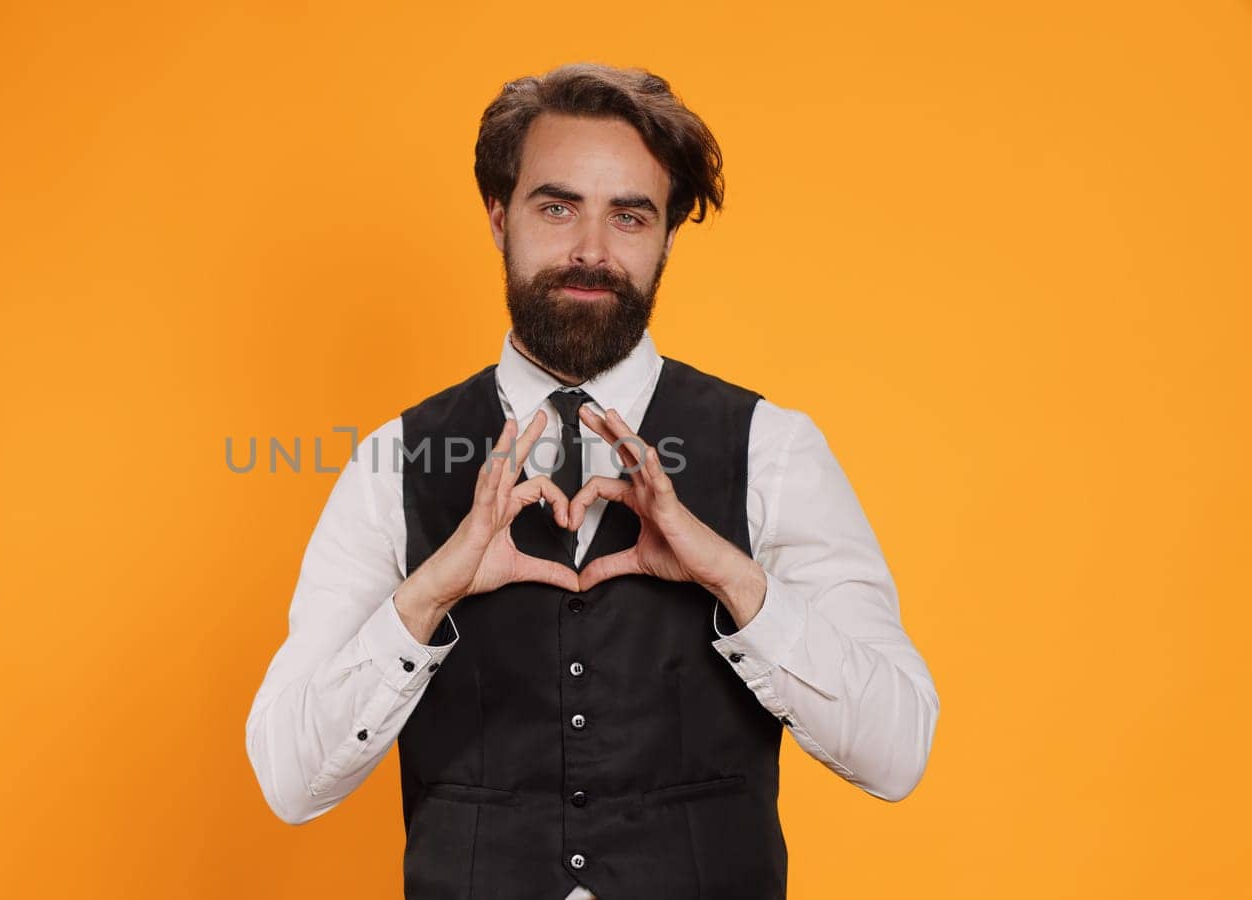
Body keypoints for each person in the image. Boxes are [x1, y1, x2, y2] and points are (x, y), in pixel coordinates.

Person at [245, 61, 939, 900]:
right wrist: (425, 598)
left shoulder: (774, 449)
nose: (591, 251)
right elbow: (288, 780)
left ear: (668, 239)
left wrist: (736, 582)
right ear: (500, 218)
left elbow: (898, 754)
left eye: (630, 216)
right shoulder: (391, 461)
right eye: (557, 205)